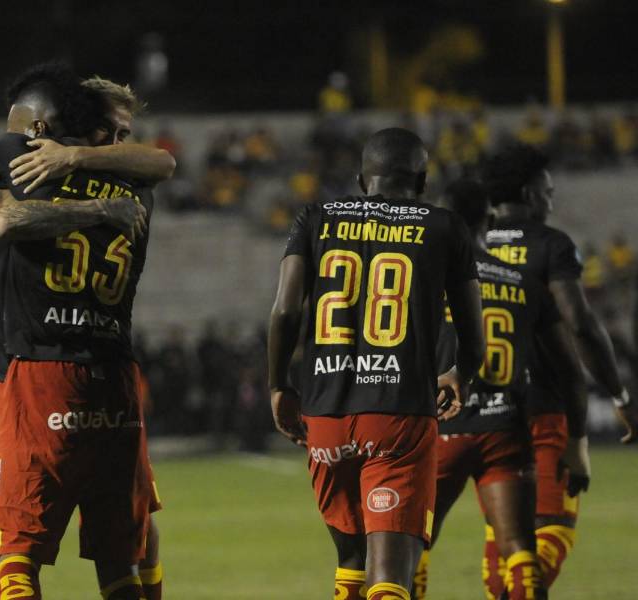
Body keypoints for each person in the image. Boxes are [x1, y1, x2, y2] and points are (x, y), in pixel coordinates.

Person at [0, 65, 171, 600]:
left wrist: (70, 165)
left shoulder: (25, 164)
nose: (120, 142)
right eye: (111, 131)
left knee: (14, 551)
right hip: (112, 376)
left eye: (125, 135)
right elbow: (164, 161)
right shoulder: (138, 187)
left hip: (31, 371)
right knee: (126, 552)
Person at [267, 127, 485, 600]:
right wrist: (459, 374)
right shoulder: (445, 226)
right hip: (398, 414)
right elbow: (473, 330)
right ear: (423, 180)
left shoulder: (315, 216)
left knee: (350, 566)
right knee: (389, 576)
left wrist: (278, 385)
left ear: (362, 180)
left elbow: (285, 310)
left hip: (325, 414)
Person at [414, 179, 584, 600]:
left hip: (442, 428)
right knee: (520, 552)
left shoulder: (424, 281)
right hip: (506, 428)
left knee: (407, 544)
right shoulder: (520, 279)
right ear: (488, 220)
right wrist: (577, 439)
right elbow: (568, 366)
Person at [482, 144, 635, 592]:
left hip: (480, 415)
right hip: (540, 408)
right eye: (548, 190)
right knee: (548, 535)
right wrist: (619, 395)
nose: (552, 200)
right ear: (531, 194)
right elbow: (581, 326)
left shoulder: (470, 242)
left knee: (505, 542)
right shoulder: (549, 245)